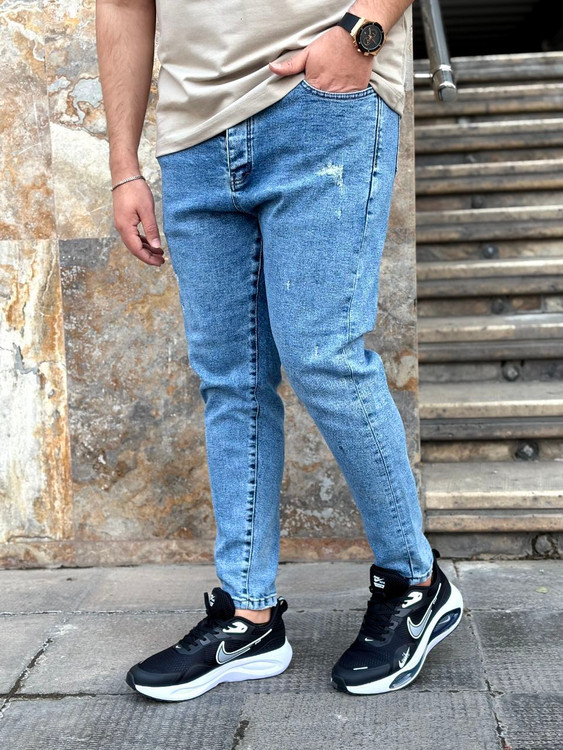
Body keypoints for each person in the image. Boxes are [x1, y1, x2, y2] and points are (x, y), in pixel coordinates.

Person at [96, 0, 463, 702]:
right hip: (192, 134)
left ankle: (415, 582)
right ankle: (248, 617)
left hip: (320, 99)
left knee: (323, 355)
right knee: (230, 379)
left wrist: (359, 33)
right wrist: (123, 166)